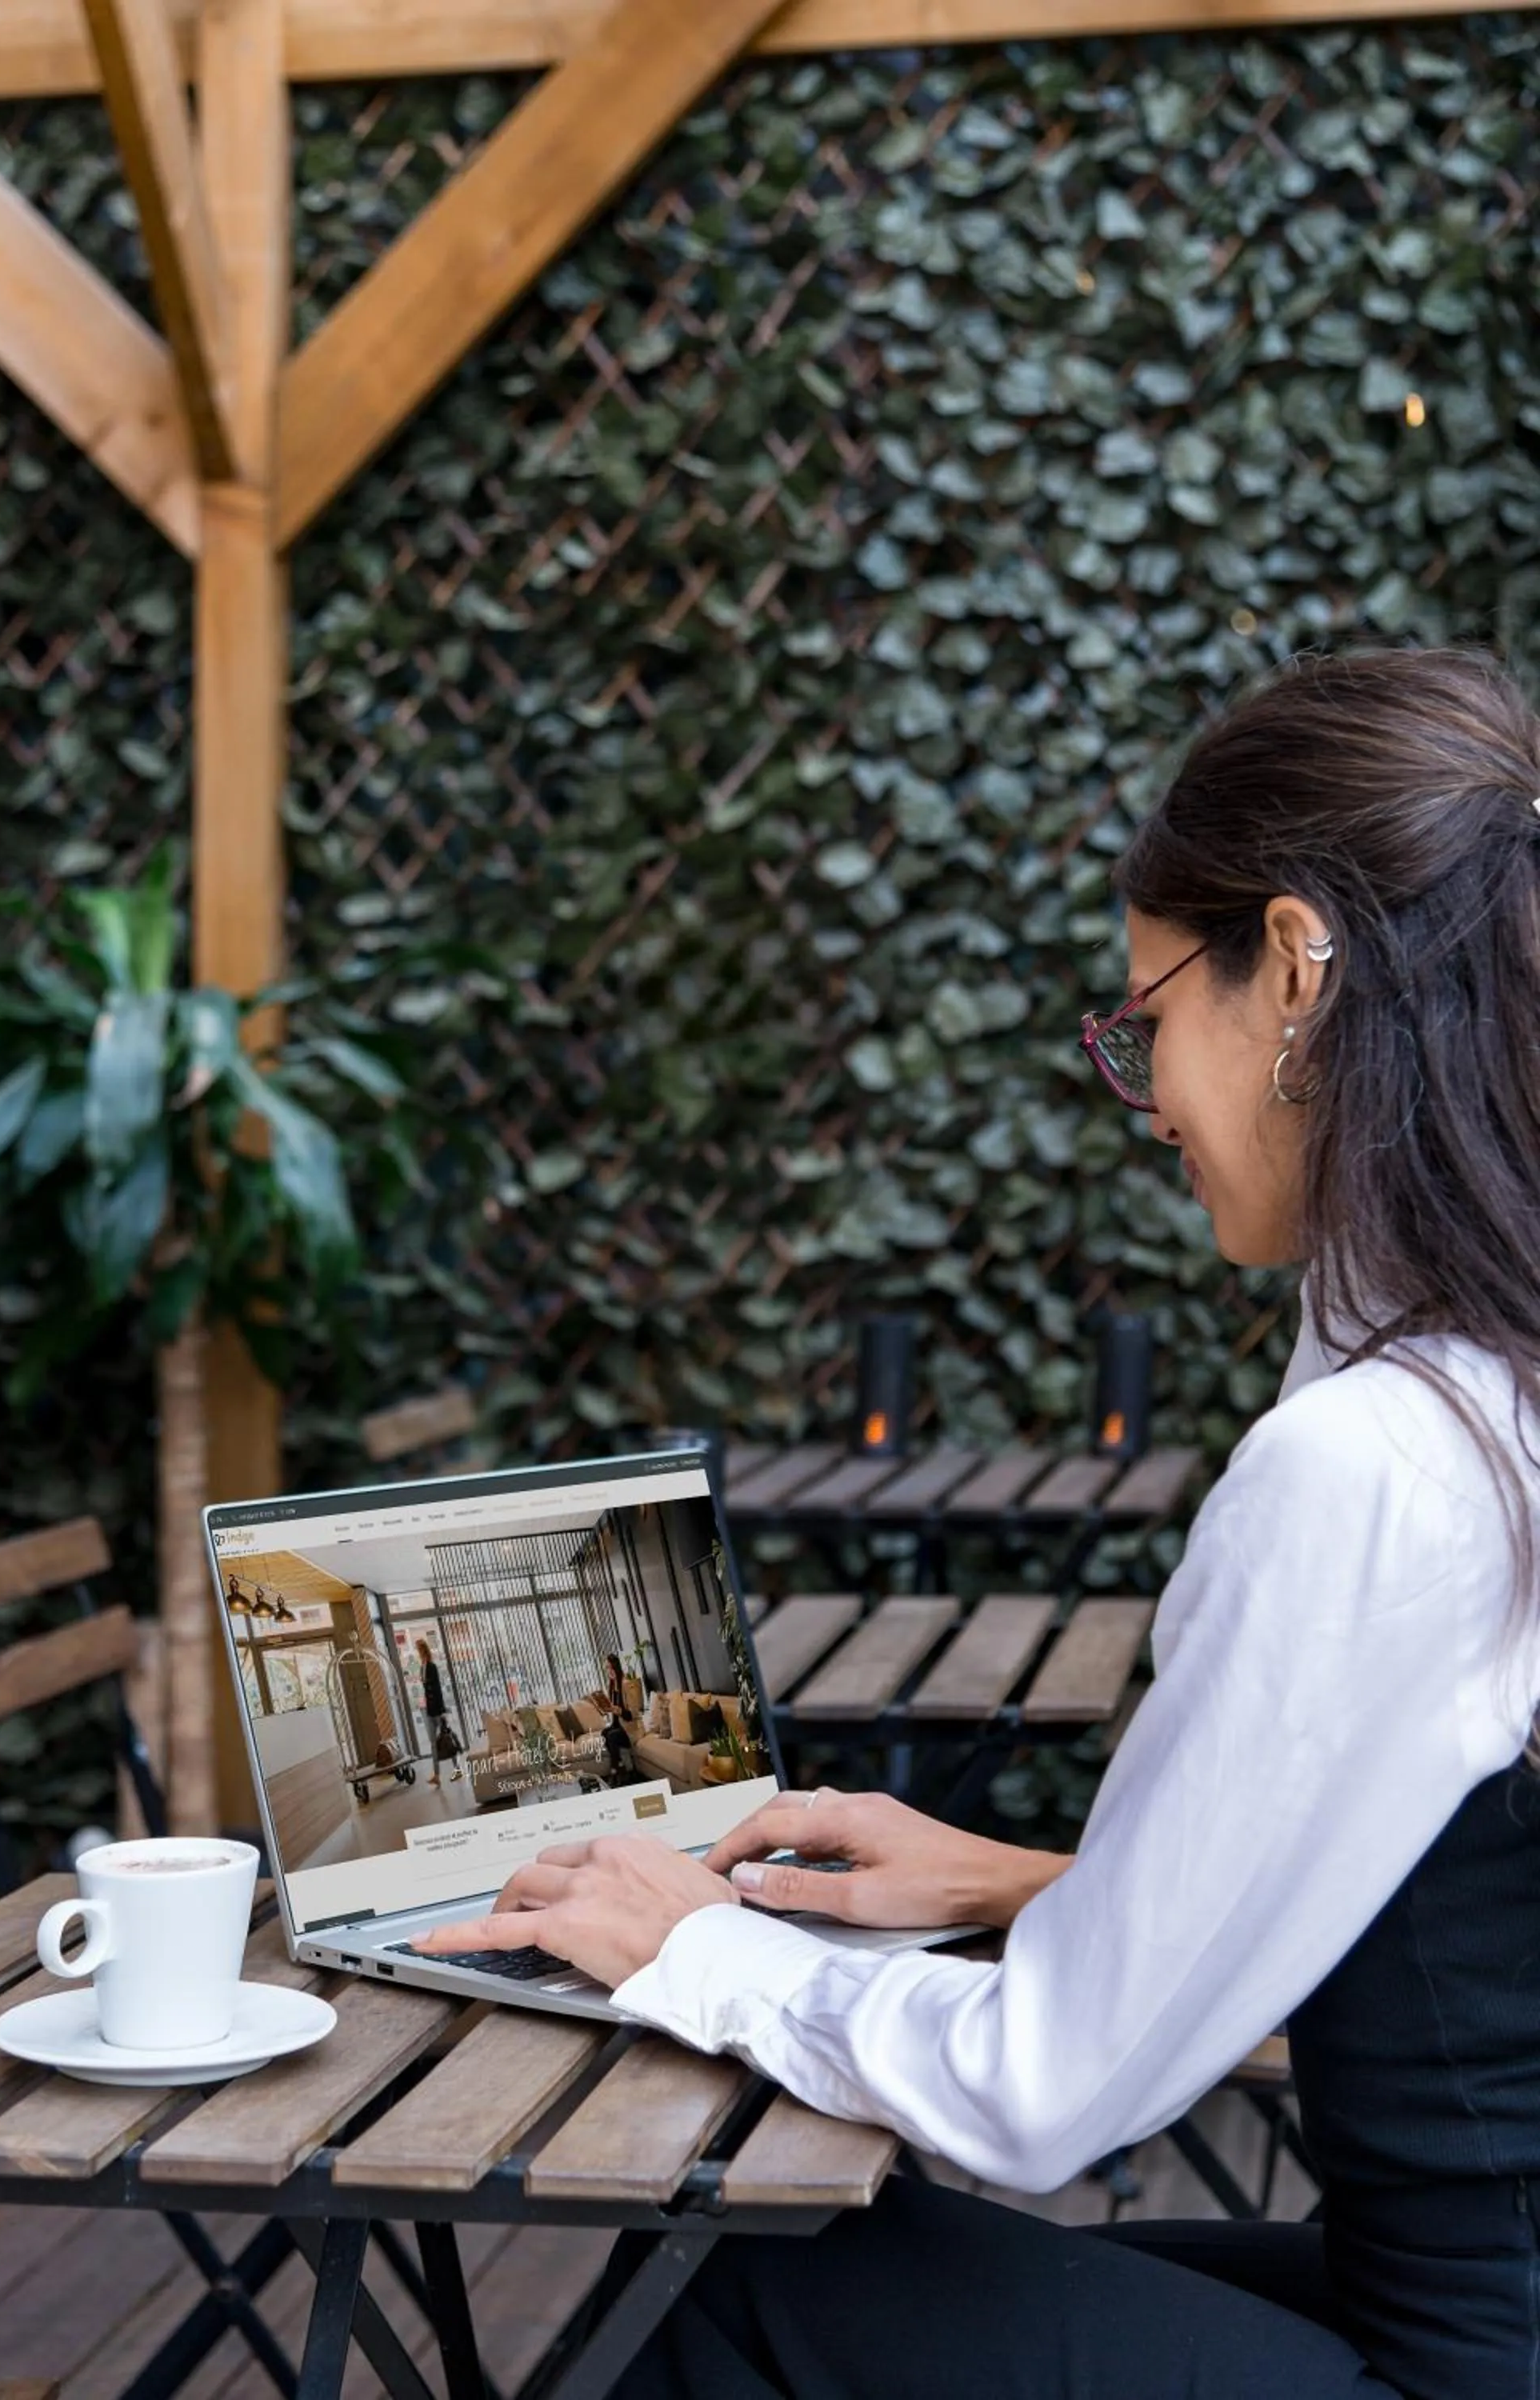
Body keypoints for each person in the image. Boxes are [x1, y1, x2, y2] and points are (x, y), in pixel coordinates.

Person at [417, 646, 1540, 2398]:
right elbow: (1436, 1906)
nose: (1148, 1105)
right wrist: (1025, 1886)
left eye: (1146, 1022)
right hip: (1455, 2296)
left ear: (1293, 966)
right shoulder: (1487, 1380)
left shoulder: (1385, 1461)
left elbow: (1042, 2097)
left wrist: (695, 1946)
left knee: (746, 2297)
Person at [414, 1638, 457, 1789]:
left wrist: (442, 1710)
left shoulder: (431, 1667)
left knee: (446, 1739)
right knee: (433, 1743)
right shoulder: (422, 1667)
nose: (418, 1652)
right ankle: (437, 1776)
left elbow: (437, 1689)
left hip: (437, 1709)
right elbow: (426, 1689)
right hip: (429, 1710)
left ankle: (457, 1769)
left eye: (419, 1649)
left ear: (423, 1650)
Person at [600, 1653, 636, 1784]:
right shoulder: (611, 1686)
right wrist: (605, 1708)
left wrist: (618, 1710)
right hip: (618, 1726)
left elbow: (632, 1715)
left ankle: (615, 1770)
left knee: (612, 1736)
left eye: (611, 1668)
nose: (609, 1671)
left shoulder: (625, 1684)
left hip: (629, 1729)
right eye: (607, 1668)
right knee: (605, 1733)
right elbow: (613, 1713)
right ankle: (620, 1766)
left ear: (616, 1667)